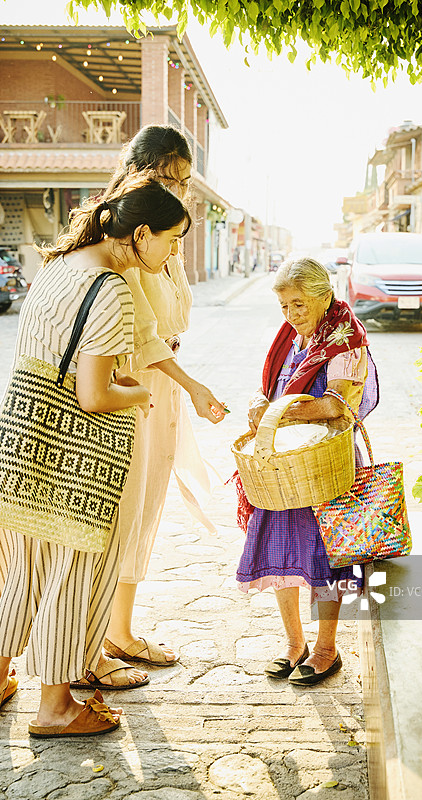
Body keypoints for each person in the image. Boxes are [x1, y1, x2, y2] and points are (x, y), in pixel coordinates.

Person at [0, 177, 191, 735]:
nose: (174, 252)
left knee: (24, 569)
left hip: (23, 438)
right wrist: (140, 393)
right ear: (139, 233)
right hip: (76, 456)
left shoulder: (57, 265)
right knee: (72, 572)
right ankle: (55, 708)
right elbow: (96, 395)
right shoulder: (110, 288)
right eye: (172, 240)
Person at [71, 125, 226, 691]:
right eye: (169, 177)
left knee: (145, 507)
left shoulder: (167, 231)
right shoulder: (129, 237)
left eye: (185, 180)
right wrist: (188, 384)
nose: (180, 189)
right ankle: (93, 641)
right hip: (130, 382)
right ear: (141, 171)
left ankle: (119, 630)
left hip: (160, 380)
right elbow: (141, 332)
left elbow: (171, 319)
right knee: (118, 513)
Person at [236, 258, 379, 686]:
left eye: (298, 304)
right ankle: (294, 644)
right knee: (281, 551)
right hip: (285, 466)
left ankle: (325, 649)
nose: (291, 315)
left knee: (325, 558)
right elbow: (274, 390)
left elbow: (337, 404)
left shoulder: (345, 339)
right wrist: (259, 405)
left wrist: (279, 416)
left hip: (323, 464)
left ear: (324, 296)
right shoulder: (290, 338)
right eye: (283, 306)